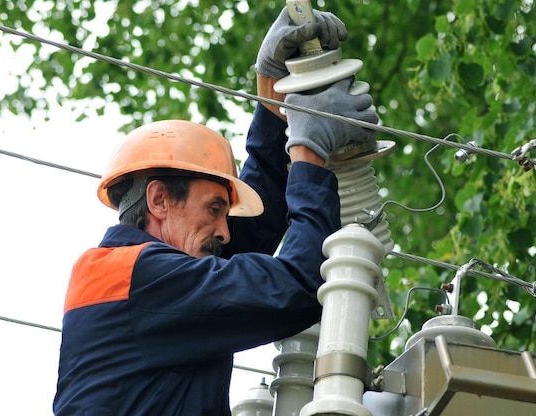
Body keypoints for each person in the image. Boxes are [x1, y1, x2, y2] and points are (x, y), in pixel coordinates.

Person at [53, 7, 378, 416]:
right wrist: (309, 151)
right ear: (158, 200)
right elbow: (296, 285)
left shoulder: (144, 279)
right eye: (214, 208)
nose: (225, 232)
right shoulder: (133, 277)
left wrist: (272, 94)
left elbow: (249, 235)